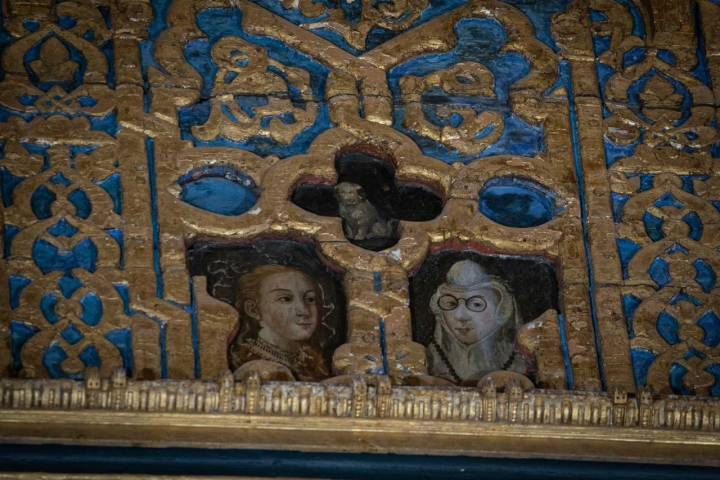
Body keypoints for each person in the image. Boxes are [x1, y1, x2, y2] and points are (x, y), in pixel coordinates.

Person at [427, 259, 526, 384]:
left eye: (476, 304)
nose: (461, 316)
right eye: (451, 304)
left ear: (502, 310)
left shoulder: (522, 360)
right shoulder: (426, 359)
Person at [229, 265, 330, 381]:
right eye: (285, 299)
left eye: (310, 299)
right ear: (253, 309)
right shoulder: (251, 366)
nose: (304, 311)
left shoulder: (312, 362)